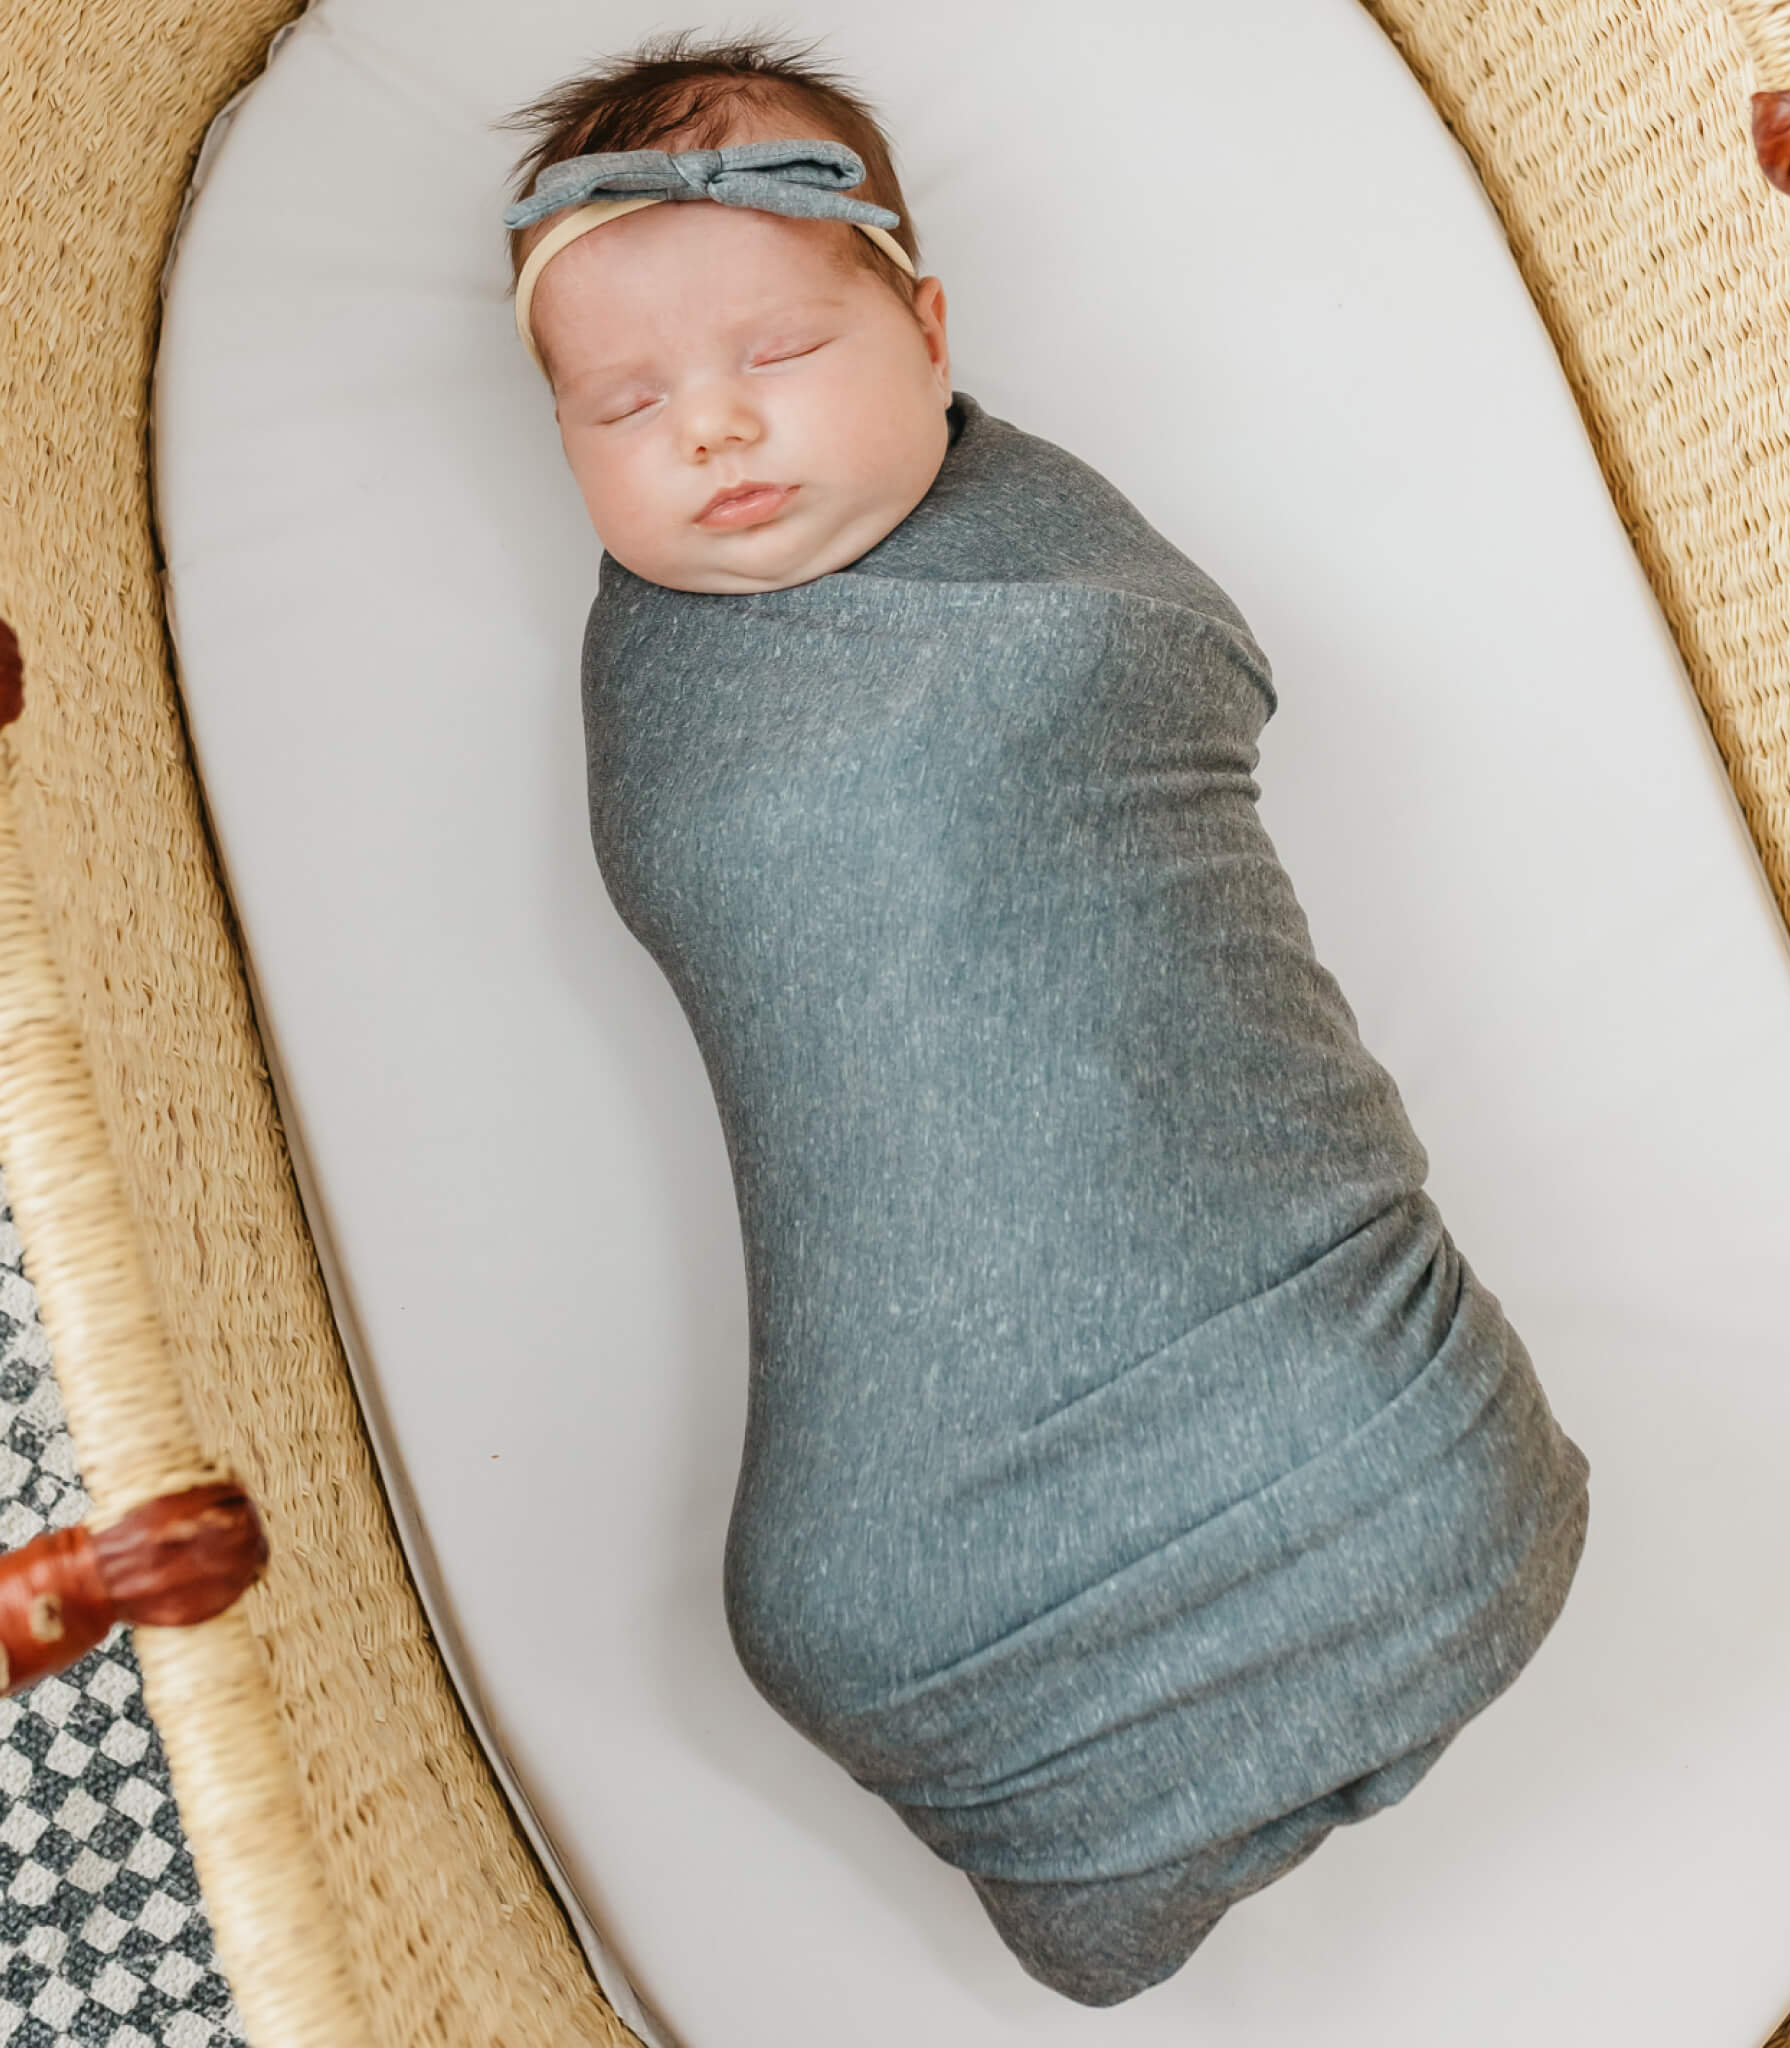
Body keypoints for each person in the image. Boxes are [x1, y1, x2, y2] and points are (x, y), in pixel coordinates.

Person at [497, 29, 1591, 2008]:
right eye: (622, 403)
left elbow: (1160, 676)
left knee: (1396, 1481)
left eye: (779, 353)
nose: (711, 430)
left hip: (1313, 1380)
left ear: (929, 332)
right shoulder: (660, 673)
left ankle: (1330, 1606)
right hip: (924, 1527)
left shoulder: (1066, 589)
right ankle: (1107, 1828)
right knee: (837, 1613)